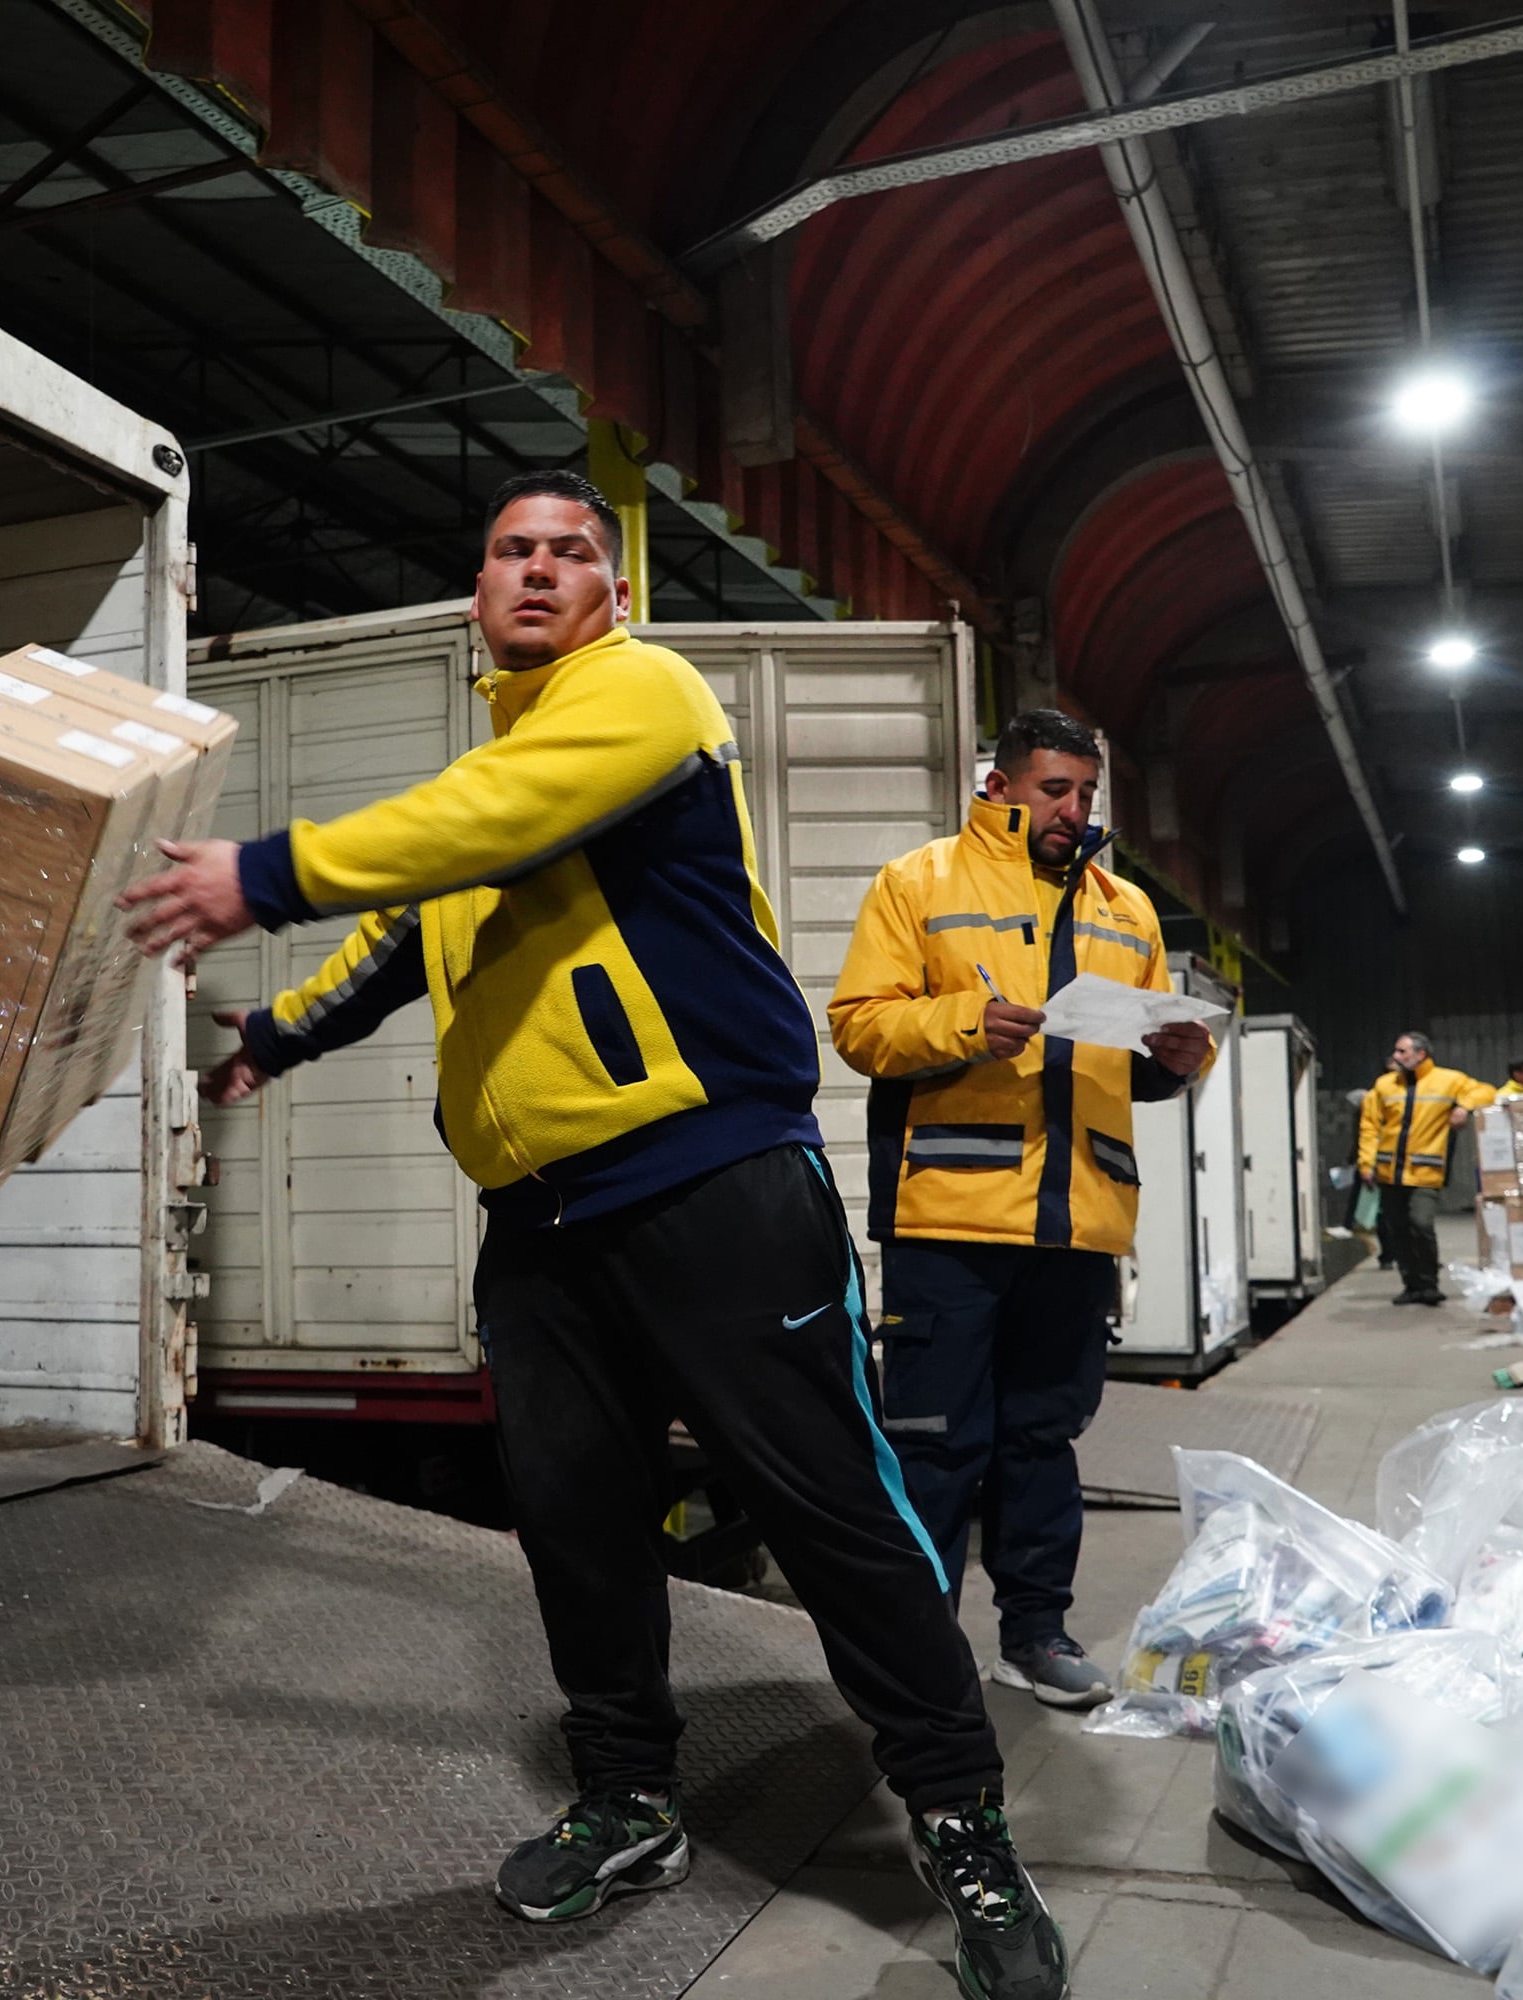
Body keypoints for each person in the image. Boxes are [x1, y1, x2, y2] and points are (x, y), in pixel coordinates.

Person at [121, 470, 1069, 2000]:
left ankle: (964, 1829)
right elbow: (413, 929)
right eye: (513, 552)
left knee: (830, 1509)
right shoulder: (493, 769)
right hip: (543, 1222)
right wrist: (279, 1040)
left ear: (613, 593)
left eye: (575, 551)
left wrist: (262, 872)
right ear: (478, 593)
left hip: (714, 1185)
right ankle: (630, 1797)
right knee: (575, 1523)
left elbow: (483, 824)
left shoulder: (644, 700)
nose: (544, 570)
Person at [827, 708, 1210, 1711]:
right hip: (950, 1217)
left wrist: (1176, 1062)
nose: (1073, 809)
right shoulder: (921, 881)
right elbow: (859, 1026)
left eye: (1085, 792)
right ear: (999, 784)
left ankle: (1034, 1633)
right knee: (935, 1440)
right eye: (1055, 789)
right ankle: (919, 1650)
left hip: (1078, 1221)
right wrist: (966, 1021)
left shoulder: (1128, 909)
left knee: (1042, 1438)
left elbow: (1141, 1066)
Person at [1357, 1031, 1496, 1306]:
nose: (1396, 1057)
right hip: (1389, 1173)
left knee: (1421, 1225)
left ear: (1421, 1055)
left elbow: (1486, 1092)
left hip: (1424, 1173)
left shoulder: (1448, 1080)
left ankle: (1429, 1283)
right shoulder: (1385, 1085)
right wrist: (1366, 1163)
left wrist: (1463, 1107)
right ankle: (1411, 1286)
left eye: (1402, 1052)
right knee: (1398, 1230)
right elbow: (1370, 1126)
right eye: (1396, 1052)